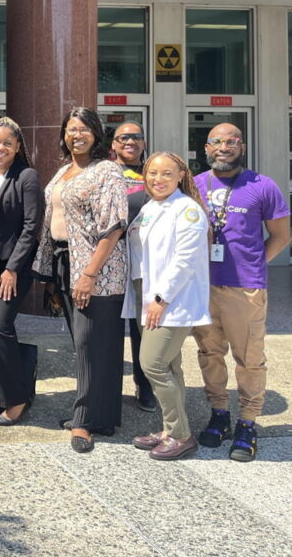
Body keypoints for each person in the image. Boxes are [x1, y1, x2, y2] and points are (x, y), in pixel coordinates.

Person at [191, 123, 290, 462]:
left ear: (241, 146)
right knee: (209, 353)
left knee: (249, 359)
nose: (224, 146)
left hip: (244, 288)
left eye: (231, 141)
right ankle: (219, 413)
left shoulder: (263, 186)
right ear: (206, 148)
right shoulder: (194, 185)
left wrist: (255, 264)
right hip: (203, 286)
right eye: (217, 141)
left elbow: (281, 234)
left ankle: (247, 423)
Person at [33, 107, 129, 453]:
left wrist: (88, 273)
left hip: (98, 272)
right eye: (71, 129)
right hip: (63, 262)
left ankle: (84, 422)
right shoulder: (63, 172)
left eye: (84, 129)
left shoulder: (108, 171)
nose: (77, 135)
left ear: (96, 134)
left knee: (92, 344)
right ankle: (101, 416)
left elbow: (114, 225)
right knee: (86, 345)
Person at [124, 152, 211, 460]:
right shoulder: (150, 207)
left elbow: (185, 261)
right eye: (151, 173)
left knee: (153, 364)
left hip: (170, 301)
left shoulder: (186, 210)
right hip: (145, 295)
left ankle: (181, 436)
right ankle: (171, 430)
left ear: (180, 176)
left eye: (165, 174)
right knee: (170, 366)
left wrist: (161, 299)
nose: (157, 179)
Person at [0, 118, 43, 425]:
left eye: (6, 143)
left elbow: (32, 227)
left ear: (17, 146)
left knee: (1, 324)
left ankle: (16, 400)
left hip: (12, 264)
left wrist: (13, 269)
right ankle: (8, 392)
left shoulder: (27, 176)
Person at [112, 122, 156, 412]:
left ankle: (145, 385)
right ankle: (107, 387)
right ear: (113, 144)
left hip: (146, 263)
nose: (131, 141)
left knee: (143, 329)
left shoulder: (154, 173)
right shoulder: (106, 172)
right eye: (124, 137)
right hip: (110, 262)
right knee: (109, 329)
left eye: (136, 136)